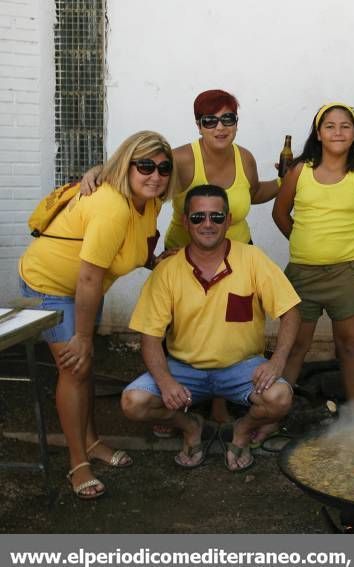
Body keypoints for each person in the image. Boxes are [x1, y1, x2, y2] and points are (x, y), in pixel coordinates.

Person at [81, 89, 281, 432]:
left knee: (230, 327)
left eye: (228, 119)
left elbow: (254, 192)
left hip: (238, 257)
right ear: (198, 124)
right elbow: (143, 168)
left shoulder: (244, 157)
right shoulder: (183, 159)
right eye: (210, 120)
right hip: (185, 256)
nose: (220, 127)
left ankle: (220, 407)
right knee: (179, 330)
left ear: (236, 122)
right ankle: (173, 402)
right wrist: (101, 170)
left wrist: (283, 180)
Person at [18, 130, 179, 499]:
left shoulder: (149, 201)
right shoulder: (113, 206)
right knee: (75, 367)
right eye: (145, 165)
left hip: (87, 287)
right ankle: (78, 463)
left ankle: (91, 443)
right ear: (127, 165)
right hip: (52, 285)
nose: (155, 174)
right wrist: (84, 336)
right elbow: (88, 275)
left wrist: (154, 260)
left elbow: (127, 250)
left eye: (163, 167)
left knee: (85, 366)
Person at [120, 185, 301, 472]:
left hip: (241, 368)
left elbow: (290, 311)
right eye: (198, 217)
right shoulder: (168, 270)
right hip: (184, 369)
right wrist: (166, 382)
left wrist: (277, 361)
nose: (207, 224)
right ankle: (191, 427)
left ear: (229, 221)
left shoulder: (252, 259)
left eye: (216, 217)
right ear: (185, 221)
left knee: (280, 398)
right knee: (134, 402)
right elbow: (150, 337)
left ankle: (241, 430)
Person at [273, 102, 354, 407]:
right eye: (330, 126)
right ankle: (277, 407)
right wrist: (303, 239)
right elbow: (280, 213)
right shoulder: (299, 172)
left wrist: (345, 236)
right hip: (302, 275)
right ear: (319, 135)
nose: (338, 131)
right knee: (296, 345)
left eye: (345, 126)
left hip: (345, 275)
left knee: (349, 346)